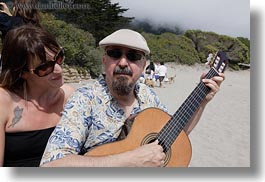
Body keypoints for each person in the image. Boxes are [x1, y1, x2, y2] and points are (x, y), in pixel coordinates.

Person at [40, 29, 225, 167]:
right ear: (104, 61)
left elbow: (173, 136)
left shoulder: (148, 95)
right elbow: (50, 165)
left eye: (133, 56)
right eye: (114, 53)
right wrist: (130, 160)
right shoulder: (85, 99)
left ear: (143, 65)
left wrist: (202, 101)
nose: (122, 62)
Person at [0, 25, 75, 167]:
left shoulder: (69, 96)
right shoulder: (4, 102)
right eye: (45, 67)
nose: (59, 70)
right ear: (22, 72)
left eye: (59, 58)